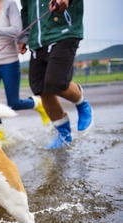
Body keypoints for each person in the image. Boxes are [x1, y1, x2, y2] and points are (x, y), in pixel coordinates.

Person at [0, 0, 50, 145]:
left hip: (10, 63)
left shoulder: (9, 5)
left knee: (14, 103)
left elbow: (16, 30)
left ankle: (38, 103)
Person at [19, 0, 93, 149]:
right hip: (37, 41)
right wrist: (24, 37)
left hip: (63, 33)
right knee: (40, 88)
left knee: (56, 83)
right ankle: (64, 135)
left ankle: (82, 103)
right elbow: (26, 11)